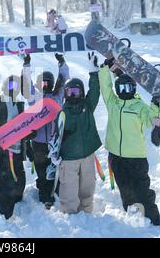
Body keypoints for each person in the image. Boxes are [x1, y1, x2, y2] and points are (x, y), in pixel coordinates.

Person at [99, 57, 160, 226]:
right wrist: (105, 69)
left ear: (133, 89)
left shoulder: (139, 106)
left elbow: (151, 119)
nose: (124, 90)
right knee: (125, 191)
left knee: (142, 191)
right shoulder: (113, 103)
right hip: (116, 156)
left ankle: (153, 220)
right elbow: (105, 88)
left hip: (135, 157)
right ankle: (133, 217)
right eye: (120, 87)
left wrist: (156, 105)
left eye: (128, 87)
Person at [0, 75, 34, 219]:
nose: (13, 90)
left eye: (16, 87)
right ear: (5, 86)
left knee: (19, 182)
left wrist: (28, 141)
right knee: (3, 183)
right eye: (11, 86)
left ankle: (14, 200)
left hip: (16, 151)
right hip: (2, 150)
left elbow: (20, 128)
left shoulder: (19, 104)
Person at [20, 53, 69, 208]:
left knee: (56, 168)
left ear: (53, 84)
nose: (45, 86)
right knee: (42, 169)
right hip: (39, 141)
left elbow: (64, 77)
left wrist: (62, 62)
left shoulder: (58, 95)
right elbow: (26, 85)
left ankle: (57, 191)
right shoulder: (35, 97)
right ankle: (44, 193)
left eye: (48, 83)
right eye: (43, 84)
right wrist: (26, 65)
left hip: (56, 141)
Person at [58, 52, 102, 214]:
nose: (73, 96)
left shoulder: (87, 106)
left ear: (82, 93)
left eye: (76, 92)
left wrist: (93, 72)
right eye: (70, 93)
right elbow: (56, 136)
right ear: (65, 94)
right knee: (69, 189)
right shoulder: (62, 113)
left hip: (87, 156)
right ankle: (69, 214)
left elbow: (95, 91)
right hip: (69, 160)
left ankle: (86, 212)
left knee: (87, 187)